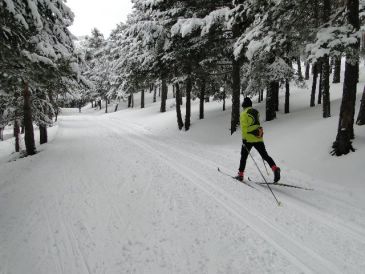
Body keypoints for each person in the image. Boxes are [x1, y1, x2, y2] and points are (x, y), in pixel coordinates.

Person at [236, 97, 280, 183]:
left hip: (248, 138)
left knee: (244, 157)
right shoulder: (256, 112)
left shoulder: (244, 113)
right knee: (265, 155)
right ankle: (275, 168)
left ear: (244, 105)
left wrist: (244, 139)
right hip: (258, 137)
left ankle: (240, 175)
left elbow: (244, 128)